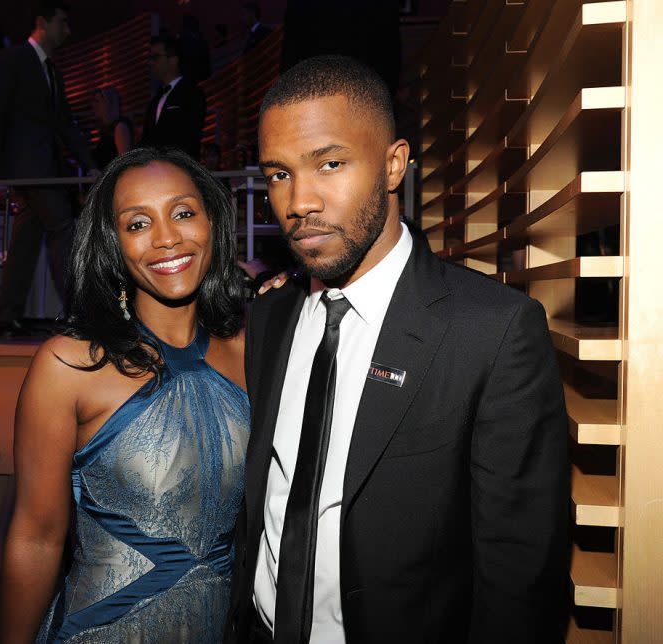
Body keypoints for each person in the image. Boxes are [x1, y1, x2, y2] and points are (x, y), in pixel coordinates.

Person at [226, 56, 569, 644]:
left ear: (393, 164)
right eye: (278, 174)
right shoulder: (271, 315)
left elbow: (520, 580)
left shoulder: (492, 331)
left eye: (329, 164)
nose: (299, 201)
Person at [0, 147, 250, 642]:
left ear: (212, 223)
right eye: (138, 224)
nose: (166, 237)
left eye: (183, 213)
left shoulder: (251, 353)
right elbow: (36, 538)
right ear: (113, 245)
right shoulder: (69, 366)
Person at [0, 1, 99, 337]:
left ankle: (7, 315)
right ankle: (78, 313)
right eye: (63, 22)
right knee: (62, 228)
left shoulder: (52, 70)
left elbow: (65, 124)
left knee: (26, 240)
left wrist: (90, 166)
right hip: (28, 167)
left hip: (43, 167)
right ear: (42, 23)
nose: (68, 30)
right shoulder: (13, 59)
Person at [140, 34, 206, 160]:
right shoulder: (155, 101)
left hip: (180, 171)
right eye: (150, 58)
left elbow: (189, 138)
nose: (150, 62)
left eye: (155, 57)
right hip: (155, 174)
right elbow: (146, 140)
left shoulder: (192, 94)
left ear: (173, 59)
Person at [91, 85, 132, 168]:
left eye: (97, 101)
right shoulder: (107, 130)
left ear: (108, 103)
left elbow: (124, 162)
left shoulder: (120, 127)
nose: (93, 105)